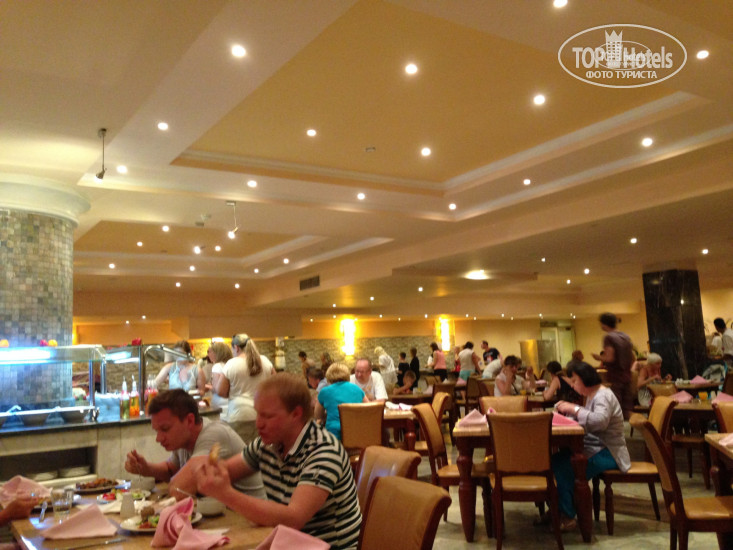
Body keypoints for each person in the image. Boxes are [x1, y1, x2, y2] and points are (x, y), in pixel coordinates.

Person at [195, 374, 361, 550]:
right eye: (258, 413)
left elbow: (294, 518)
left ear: (296, 414)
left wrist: (226, 494)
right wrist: (208, 473)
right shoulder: (267, 444)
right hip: (289, 543)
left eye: (267, 416)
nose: (258, 424)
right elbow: (224, 471)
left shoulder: (323, 450)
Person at [124, 389, 265, 500]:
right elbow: (171, 469)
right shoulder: (183, 440)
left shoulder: (213, 435)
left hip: (251, 520)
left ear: (190, 421)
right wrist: (146, 469)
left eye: (165, 429)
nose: (158, 438)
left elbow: (179, 489)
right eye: (157, 431)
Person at [552, 362, 631, 531]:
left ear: (585, 378)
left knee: (567, 469)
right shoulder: (593, 395)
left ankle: (568, 516)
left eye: (574, 381)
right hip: (596, 448)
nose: (572, 386)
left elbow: (599, 421)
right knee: (555, 461)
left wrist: (574, 409)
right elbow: (589, 418)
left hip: (609, 452)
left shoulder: (603, 395)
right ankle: (558, 510)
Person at [217, 334, 275, 443]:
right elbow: (276, 385)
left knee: (242, 450)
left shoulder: (231, 364)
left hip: (239, 414)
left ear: (236, 348)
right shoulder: (265, 361)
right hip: (262, 413)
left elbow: (221, 391)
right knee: (261, 448)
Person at [592, 313, 635, 419]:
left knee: (616, 407)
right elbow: (632, 357)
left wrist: (598, 358)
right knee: (627, 408)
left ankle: (618, 429)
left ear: (604, 324)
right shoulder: (625, 336)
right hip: (627, 376)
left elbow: (610, 358)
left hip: (615, 376)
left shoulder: (609, 338)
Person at [315, 363, 366, 439]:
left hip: (334, 436)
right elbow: (369, 410)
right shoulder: (357, 389)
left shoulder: (324, 392)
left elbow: (317, 415)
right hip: (356, 433)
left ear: (328, 375)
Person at [208, 342, 233, 417]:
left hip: (220, 404)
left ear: (217, 353)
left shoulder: (217, 366)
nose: (208, 355)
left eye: (210, 352)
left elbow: (217, 389)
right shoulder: (229, 365)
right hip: (230, 403)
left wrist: (207, 387)